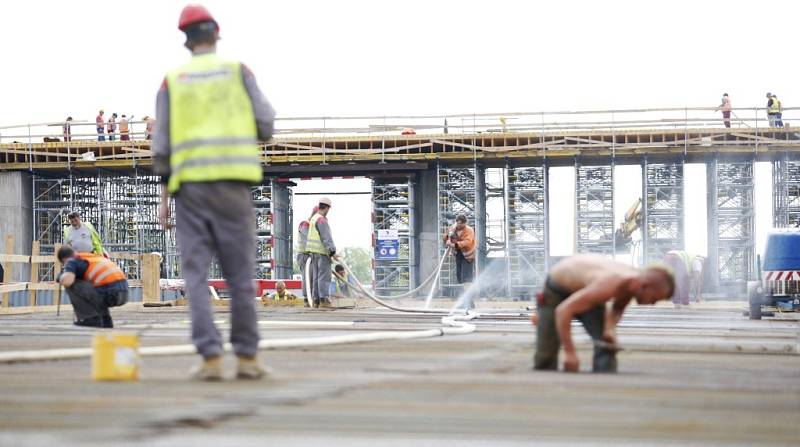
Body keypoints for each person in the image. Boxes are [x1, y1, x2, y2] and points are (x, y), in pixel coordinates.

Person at [153, 4, 276, 381]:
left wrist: (163, 201)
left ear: (185, 40)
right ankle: (248, 359)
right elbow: (266, 123)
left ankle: (209, 359)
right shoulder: (239, 73)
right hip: (233, 187)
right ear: (216, 33)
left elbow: (162, 148)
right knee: (240, 274)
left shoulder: (172, 82)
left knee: (195, 274)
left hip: (189, 191)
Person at [534, 254, 674, 373]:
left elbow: (617, 308)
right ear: (644, 285)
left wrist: (609, 330)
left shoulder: (633, 283)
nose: (652, 304)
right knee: (545, 358)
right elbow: (563, 311)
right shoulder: (610, 283)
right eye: (654, 299)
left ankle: (604, 377)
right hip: (556, 290)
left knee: (607, 344)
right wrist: (570, 354)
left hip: (587, 290)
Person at [56, 245, 128, 328]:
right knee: (95, 284)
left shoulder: (72, 260)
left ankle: (91, 318)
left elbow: (68, 281)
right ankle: (105, 319)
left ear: (64, 260)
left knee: (72, 284)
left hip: (110, 294)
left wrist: (61, 276)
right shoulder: (92, 257)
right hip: (123, 295)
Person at [306, 197, 337, 308]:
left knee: (316, 277)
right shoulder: (321, 220)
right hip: (322, 253)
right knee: (324, 277)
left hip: (313, 252)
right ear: (327, 207)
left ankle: (316, 301)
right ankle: (324, 300)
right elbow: (326, 237)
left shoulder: (313, 218)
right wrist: (332, 251)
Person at [443, 214, 476, 292]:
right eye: (458, 223)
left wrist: (454, 245)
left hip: (468, 256)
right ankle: (464, 297)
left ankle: (468, 298)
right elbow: (445, 236)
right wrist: (447, 239)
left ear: (465, 223)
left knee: (466, 277)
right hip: (458, 254)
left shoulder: (469, 230)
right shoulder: (452, 228)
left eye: (461, 223)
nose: (459, 225)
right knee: (459, 276)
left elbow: (467, 242)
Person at [296, 206, 318, 304]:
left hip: (313, 255)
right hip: (305, 256)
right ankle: (306, 299)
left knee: (314, 277)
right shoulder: (305, 224)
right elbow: (307, 239)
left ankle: (313, 298)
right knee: (307, 277)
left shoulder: (314, 227)